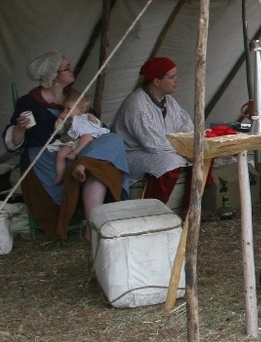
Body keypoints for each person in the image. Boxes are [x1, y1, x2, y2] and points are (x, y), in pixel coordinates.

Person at [2, 52, 129, 239]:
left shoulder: (75, 97)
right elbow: (15, 143)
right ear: (53, 75)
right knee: (97, 165)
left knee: (113, 141)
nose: (72, 70)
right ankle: (92, 224)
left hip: (79, 151)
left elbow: (94, 130)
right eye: (66, 68)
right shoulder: (30, 103)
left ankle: (91, 225)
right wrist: (20, 128)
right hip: (48, 157)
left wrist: (94, 122)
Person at [112, 57, 201, 215]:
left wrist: (192, 146)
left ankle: (190, 210)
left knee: (204, 154)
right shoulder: (137, 105)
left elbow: (186, 125)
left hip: (163, 149)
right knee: (169, 163)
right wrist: (184, 151)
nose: (177, 80)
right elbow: (152, 144)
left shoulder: (169, 101)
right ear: (157, 81)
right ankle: (152, 213)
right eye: (172, 77)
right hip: (133, 153)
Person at [54, 91, 111, 186]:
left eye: (68, 109)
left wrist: (94, 120)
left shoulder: (86, 117)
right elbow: (59, 131)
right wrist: (59, 121)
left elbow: (96, 126)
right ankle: (60, 175)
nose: (65, 111)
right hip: (70, 142)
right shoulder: (67, 120)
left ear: (80, 111)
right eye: (64, 108)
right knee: (61, 154)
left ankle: (74, 153)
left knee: (88, 137)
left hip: (82, 141)